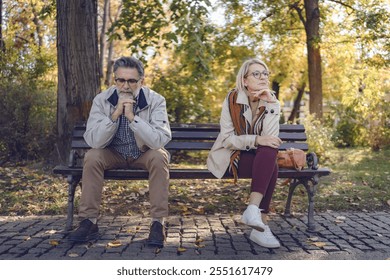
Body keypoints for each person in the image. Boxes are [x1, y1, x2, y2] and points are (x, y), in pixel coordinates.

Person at [68, 56, 171, 248]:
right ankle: (89, 221)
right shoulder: (102, 100)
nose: (125, 86)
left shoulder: (156, 100)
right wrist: (115, 114)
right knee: (92, 156)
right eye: (121, 80)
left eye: (132, 81)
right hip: (112, 153)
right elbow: (94, 141)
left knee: (159, 156)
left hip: (143, 153)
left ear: (142, 80)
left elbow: (159, 140)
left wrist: (132, 118)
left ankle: (158, 222)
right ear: (115, 80)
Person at [207, 58, 281, 248]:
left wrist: (271, 104)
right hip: (231, 157)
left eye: (265, 73)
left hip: (260, 159)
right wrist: (256, 140)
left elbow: (271, 138)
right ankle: (261, 225)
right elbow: (227, 140)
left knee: (269, 151)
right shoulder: (232, 99)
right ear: (245, 80)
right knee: (270, 162)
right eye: (256, 74)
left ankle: (253, 209)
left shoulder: (272, 101)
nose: (263, 77)